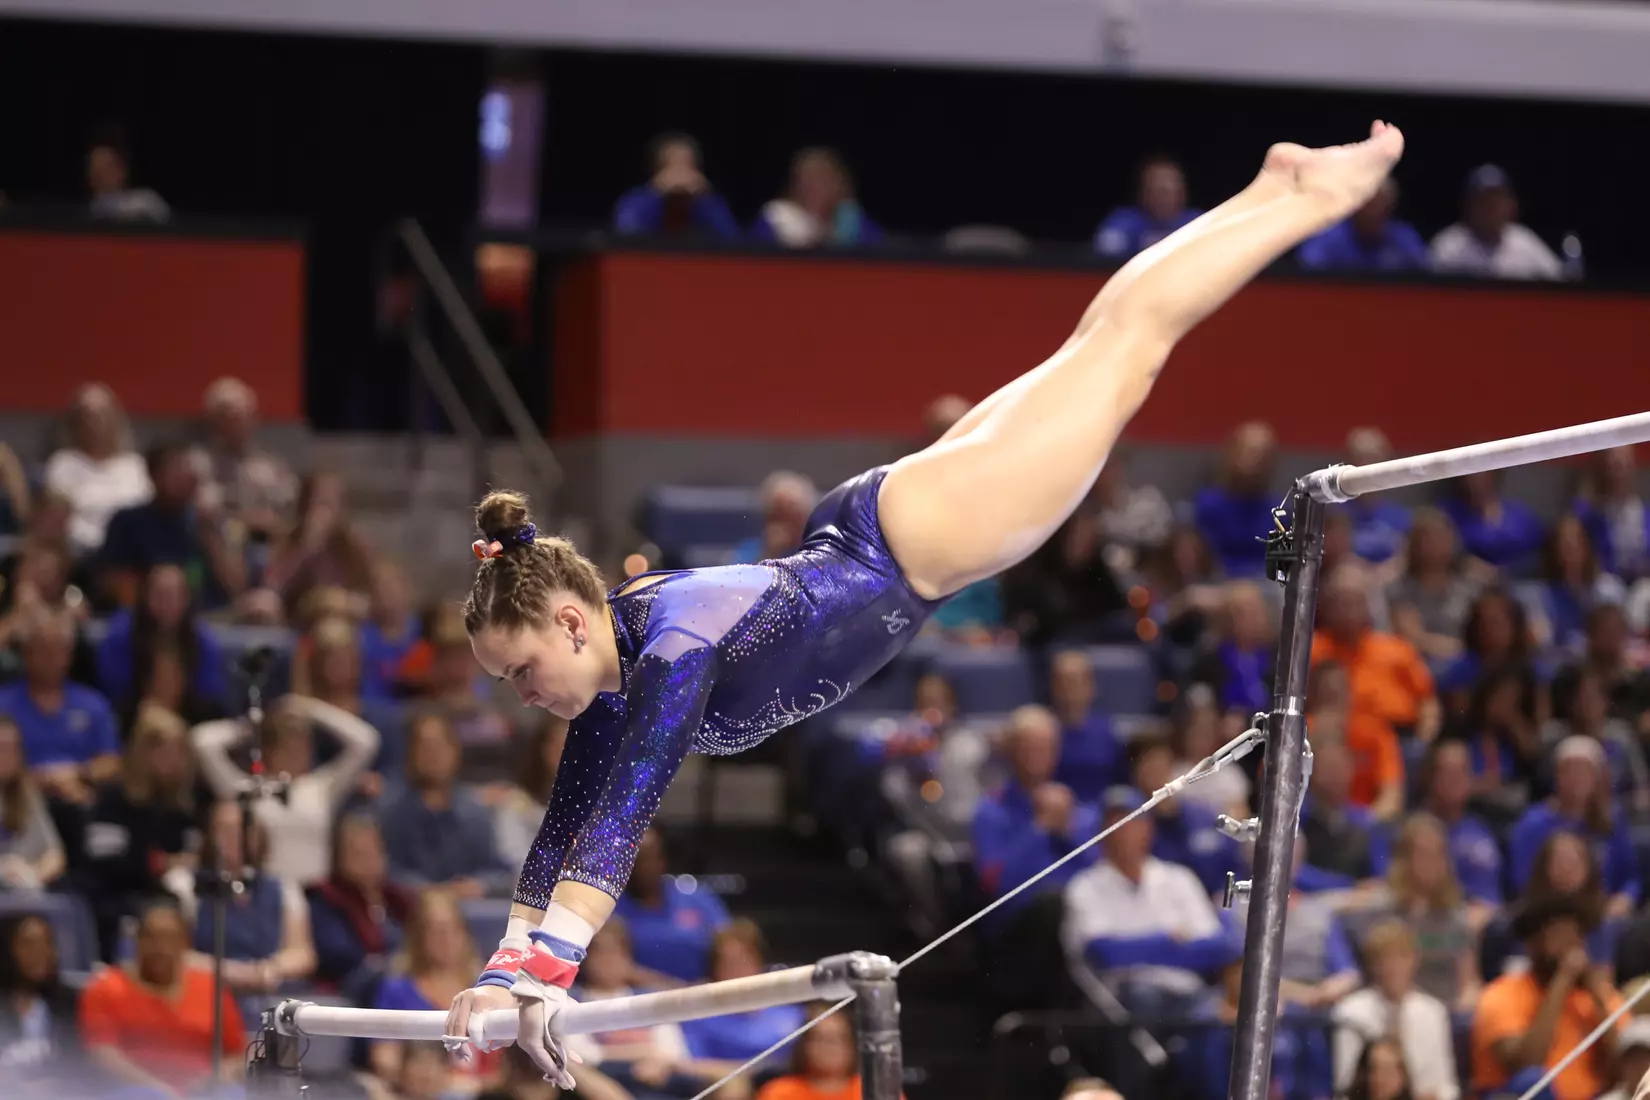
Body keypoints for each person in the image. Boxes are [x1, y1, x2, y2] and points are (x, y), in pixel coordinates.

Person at [443, 122, 1410, 1078]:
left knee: (1128, 346)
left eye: (520, 669)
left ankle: (1311, 199)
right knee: (1107, 342)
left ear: (570, 618)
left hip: (917, 542)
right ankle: (1272, 190)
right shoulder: (618, 673)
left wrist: (550, 971)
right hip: (892, 526)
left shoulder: (668, 653)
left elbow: (619, 823)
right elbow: (565, 830)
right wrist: (503, 974)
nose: (520, 694)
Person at [192, 693, 380, 887]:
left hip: (318, 896)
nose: (299, 755)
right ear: (269, 749)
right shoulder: (245, 788)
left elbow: (366, 741)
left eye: (304, 747)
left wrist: (311, 708)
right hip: (270, 894)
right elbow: (202, 742)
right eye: (289, 746)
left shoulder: (320, 787)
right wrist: (254, 725)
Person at [78, 898, 245, 1098]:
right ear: (137, 940)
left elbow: (238, 1053)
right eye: (152, 938)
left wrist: (219, 1075)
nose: (161, 947)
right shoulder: (105, 987)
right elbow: (102, 1054)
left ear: (185, 943)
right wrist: (161, 1090)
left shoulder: (211, 988)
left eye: (171, 938)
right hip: (135, 1091)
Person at [1471, 893, 1626, 1100]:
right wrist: (1562, 981)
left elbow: (1626, 1065)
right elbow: (1526, 1063)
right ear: (1532, 943)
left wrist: (1598, 999)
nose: (1570, 945)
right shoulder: (1501, 994)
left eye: (1576, 935)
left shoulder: (1598, 995)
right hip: (1518, 1095)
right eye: (1558, 935)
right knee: (1531, 1078)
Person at [1330, 920, 1459, 1100]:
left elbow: (1447, 1087)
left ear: (1414, 960)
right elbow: (1345, 1087)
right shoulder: (1350, 1013)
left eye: (1400, 957)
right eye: (1383, 959)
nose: (1392, 967)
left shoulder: (1433, 1012)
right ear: (1371, 965)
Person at [308, 812, 414, 1004]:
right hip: (352, 990)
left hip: (402, 979)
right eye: (357, 853)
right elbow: (338, 955)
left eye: (373, 851)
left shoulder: (398, 899)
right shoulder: (326, 899)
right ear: (339, 857)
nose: (367, 860)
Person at [0, 914, 82, 1088]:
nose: (40, 952)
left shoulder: (70, 1002)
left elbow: (80, 1065)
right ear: (8, 950)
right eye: (28, 944)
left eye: (47, 943)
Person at [0, 717, 65, 891]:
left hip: (23, 891)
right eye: (1, 748)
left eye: (12, 749)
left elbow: (54, 855)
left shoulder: (27, 795)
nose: (6, 756)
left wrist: (33, 877)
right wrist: (5, 871)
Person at [754, 1004, 867, 1100]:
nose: (829, 1048)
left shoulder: (870, 1089)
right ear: (804, 1044)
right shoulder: (779, 1092)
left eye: (839, 1039)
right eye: (820, 1039)